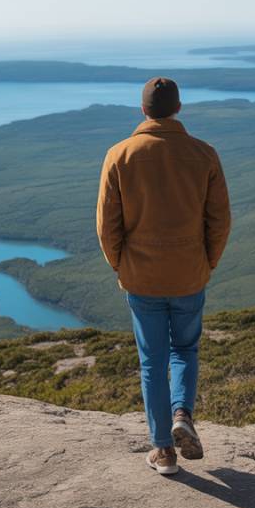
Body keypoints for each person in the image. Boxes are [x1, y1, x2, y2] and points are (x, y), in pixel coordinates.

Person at [96, 77, 232, 476]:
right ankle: (182, 415)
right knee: (185, 349)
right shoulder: (203, 154)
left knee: (152, 361)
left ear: (142, 111)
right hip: (190, 274)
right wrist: (207, 262)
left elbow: (108, 225)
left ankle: (163, 451)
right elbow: (220, 220)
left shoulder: (119, 155)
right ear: (178, 109)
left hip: (141, 278)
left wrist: (121, 265)